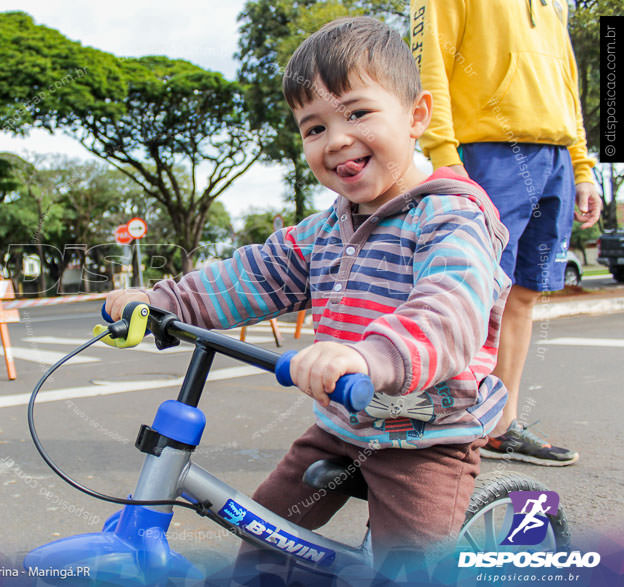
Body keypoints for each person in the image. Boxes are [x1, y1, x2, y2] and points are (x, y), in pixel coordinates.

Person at [106, 16, 511, 563]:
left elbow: (449, 312)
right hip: (339, 429)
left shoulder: (451, 217)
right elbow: (252, 275)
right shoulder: (327, 228)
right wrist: (162, 302)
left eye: (359, 113)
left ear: (417, 116)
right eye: (313, 127)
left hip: (425, 438)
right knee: (261, 541)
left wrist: (367, 356)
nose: (336, 138)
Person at [411, 0, 602, 466]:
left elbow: (568, 86)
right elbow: (428, 57)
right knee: (472, 290)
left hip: (556, 154)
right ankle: (445, 424)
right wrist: (442, 153)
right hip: (486, 150)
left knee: (524, 295)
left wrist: (582, 166)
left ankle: (500, 426)